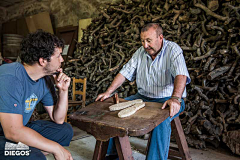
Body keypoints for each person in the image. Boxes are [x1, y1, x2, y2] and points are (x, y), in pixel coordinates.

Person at [96, 23, 191, 160]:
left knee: (161, 121)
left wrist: (175, 98)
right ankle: (113, 154)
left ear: (160, 38)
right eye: (142, 41)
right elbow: (125, 73)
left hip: (167, 100)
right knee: (114, 111)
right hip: (142, 97)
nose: (145, 45)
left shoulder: (173, 50)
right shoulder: (140, 52)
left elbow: (181, 75)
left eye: (149, 41)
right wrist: (108, 92)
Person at [0, 30, 73, 160]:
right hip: (4, 135)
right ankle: (28, 150)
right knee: (33, 156)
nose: (62, 59)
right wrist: (55, 148)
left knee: (65, 131)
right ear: (43, 61)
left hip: (18, 128)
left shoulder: (45, 79)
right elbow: (13, 132)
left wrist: (63, 91)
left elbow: (58, 119)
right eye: (59, 56)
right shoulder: (10, 76)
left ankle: (28, 147)